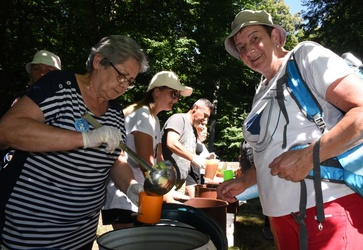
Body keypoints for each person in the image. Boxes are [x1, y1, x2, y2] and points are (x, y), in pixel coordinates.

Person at [216, 10, 363, 249]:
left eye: (254, 38)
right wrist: (245, 181)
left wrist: (309, 156)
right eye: (241, 46)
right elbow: (273, 153)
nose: (248, 50)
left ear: (276, 36)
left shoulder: (305, 56)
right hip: (280, 214)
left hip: (328, 206)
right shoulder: (261, 90)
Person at [0, 35, 149, 249]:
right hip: (32, 233)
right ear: (99, 61)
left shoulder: (115, 111)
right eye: (122, 76)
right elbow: (7, 130)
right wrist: (84, 139)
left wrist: (131, 187)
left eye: (130, 81)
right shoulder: (59, 87)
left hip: (82, 235)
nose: (124, 86)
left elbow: (116, 160)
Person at [102, 70, 193, 229]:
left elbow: (159, 161)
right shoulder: (143, 114)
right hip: (124, 194)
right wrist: (165, 193)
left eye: (178, 95)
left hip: (139, 193)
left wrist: (168, 189)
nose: (176, 99)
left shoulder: (154, 118)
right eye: (173, 93)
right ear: (156, 92)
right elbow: (146, 164)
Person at [1, 50, 62, 168]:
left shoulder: (67, 102)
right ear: (31, 73)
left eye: (48, 70)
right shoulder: (20, 100)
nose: (42, 73)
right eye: (37, 69)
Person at [161, 98, 213, 197]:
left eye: (207, 117)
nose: (205, 121)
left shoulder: (193, 129)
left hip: (181, 181)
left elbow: (189, 154)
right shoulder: (179, 119)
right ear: (195, 108)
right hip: (166, 179)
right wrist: (194, 158)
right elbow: (171, 142)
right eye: (205, 115)